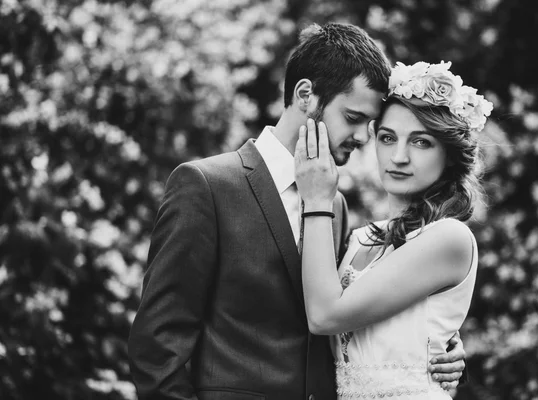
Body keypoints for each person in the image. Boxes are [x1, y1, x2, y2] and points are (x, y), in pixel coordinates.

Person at [128, 24, 466, 400]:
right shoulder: (206, 186)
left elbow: (346, 318)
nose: (362, 138)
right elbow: (156, 348)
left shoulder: (333, 207)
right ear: (305, 94)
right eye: (353, 118)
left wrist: (437, 343)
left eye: (370, 126)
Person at [294, 60, 493, 399]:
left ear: (449, 154)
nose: (398, 157)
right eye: (388, 138)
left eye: (421, 142)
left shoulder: (449, 238)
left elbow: (325, 316)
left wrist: (315, 200)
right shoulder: (358, 239)